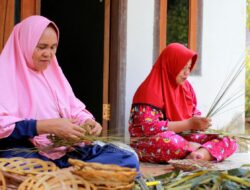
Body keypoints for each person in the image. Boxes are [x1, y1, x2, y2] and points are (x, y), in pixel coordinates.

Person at [0, 15, 139, 172]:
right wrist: (45, 126)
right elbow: (2, 127)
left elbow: (74, 109)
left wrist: (87, 123)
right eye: (41, 47)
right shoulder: (5, 75)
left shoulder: (53, 73)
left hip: (67, 152)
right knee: (15, 163)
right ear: (24, 43)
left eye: (53, 47)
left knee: (126, 157)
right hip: (32, 154)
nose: (49, 54)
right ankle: (71, 175)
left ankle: (64, 175)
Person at [129, 43, 237, 163]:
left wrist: (200, 122)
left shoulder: (186, 87)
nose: (187, 73)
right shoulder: (149, 90)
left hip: (184, 136)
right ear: (170, 65)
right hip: (151, 141)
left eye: (189, 67)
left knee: (228, 140)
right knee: (169, 143)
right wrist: (189, 124)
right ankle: (199, 152)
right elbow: (149, 128)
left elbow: (193, 113)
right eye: (183, 68)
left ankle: (199, 154)